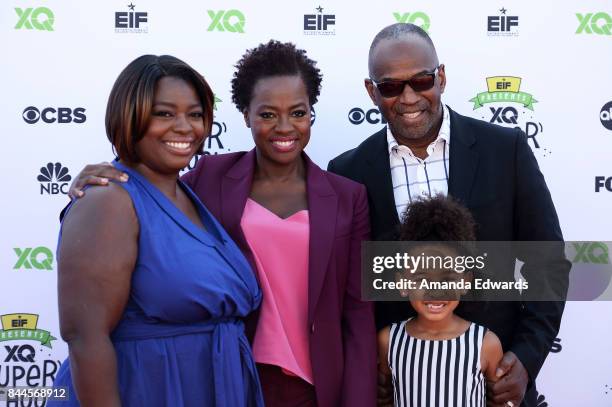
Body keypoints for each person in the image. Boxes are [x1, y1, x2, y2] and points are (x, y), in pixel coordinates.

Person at [65, 41, 376, 407]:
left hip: (312, 385)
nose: (284, 126)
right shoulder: (209, 177)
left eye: (298, 112)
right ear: (245, 114)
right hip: (230, 375)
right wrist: (100, 174)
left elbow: (358, 314)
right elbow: (149, 190)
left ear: (311, 114)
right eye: (267, 114)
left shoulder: (347, 196)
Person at [327, 23, 570, 407]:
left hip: (495, 390)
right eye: (390, 87)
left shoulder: (504, 150)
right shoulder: (348, 171)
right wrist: (365, 369)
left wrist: (525, 359)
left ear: (441, 77)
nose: (408, 97)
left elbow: (549, 263)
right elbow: (344, 288)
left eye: (421, 80)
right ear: (372, 91)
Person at [49, 55, 263, 407]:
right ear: (130, 115)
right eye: (164, 113)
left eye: (195, 114)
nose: (185, 127)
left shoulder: (191, 192)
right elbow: (85, 337)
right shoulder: (108, 200)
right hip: (145, 390)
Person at [377, 195, 503, 407]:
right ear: (402, 283)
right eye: (422, 278)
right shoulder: (388, 341)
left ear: (465, 282)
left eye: (447, 278)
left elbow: (499, 401)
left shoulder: (485, 344)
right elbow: (385, 399)